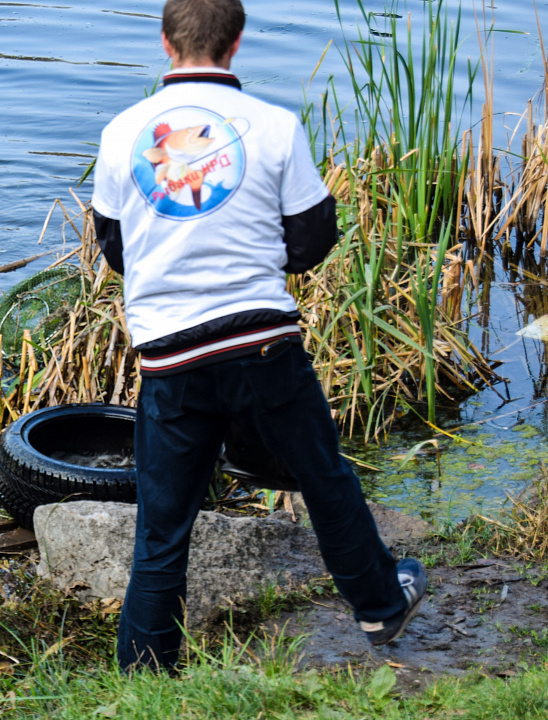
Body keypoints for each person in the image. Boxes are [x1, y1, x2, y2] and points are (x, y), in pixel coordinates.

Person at [89, 0, 426, 672]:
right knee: (324, 479)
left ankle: (146, 674)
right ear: (236, 42)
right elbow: (311, 239)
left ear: (165, 42)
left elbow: (116, 247)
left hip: (170, 355)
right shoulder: (275, 126)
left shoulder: (121, 132)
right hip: (262, 344)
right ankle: (382, 607)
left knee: (162, 525)